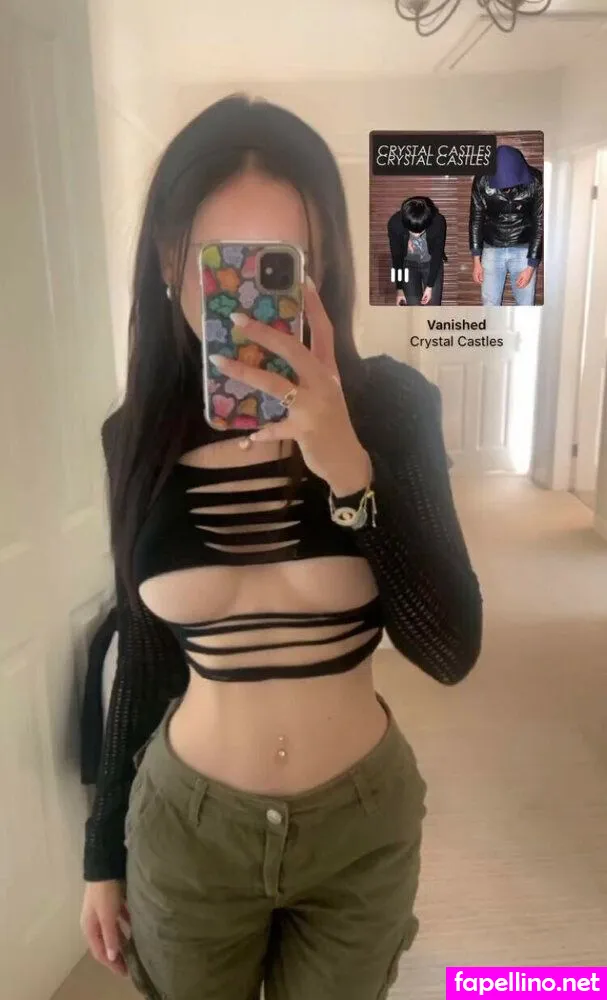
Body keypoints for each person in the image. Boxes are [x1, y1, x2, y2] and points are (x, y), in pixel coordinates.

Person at [80, 94, 483, 1000]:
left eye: (278, 260)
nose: (247, 297)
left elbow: (450, 651)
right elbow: (143, 655)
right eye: (218, 259)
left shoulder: (393, 410)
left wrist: (348, 472)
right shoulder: (132, 437)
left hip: (358, 828)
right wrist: (101, 855)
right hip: (188, 828)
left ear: (322, 262)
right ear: (168, 261)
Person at [469, 144, 543, 306]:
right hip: (492, 246)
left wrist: (531, 266)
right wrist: (476, 260)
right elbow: (476, 219)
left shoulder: (536, 180)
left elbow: (540, 223)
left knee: (525, 305)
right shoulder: (482, 179)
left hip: (524, 249)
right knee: (489, 304)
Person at [387, 196, 447, 306]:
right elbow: (396, 258)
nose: (417, 235)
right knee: (413, 307)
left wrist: (430, 286)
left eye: (421, 230)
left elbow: (437, 255)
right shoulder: (395, 223)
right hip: (408, 265)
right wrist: (399, 288)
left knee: (433, 306)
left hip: (432, 264)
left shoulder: (438, 222)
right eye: (412, 231)